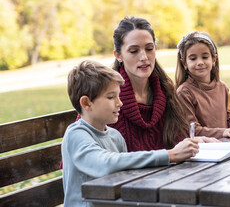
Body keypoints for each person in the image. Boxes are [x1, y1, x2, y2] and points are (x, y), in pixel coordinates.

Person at [61, 60, 199, 207]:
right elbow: (105, 164)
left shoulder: (115, 136)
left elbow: (127, 176)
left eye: (119, 96)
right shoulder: (76, 135)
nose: (120, 103)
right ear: (86, 103)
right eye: (111, 97)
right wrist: (170, 155)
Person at [110, 16, 217, 152]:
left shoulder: (165, 91)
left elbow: (177, 140)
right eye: (134, 51)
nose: (144, 57)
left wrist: (190, 141)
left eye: (149, 49)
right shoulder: (105, 96)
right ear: (118, 55)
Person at [175, 31, 230, 139]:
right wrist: (223, 132)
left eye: (205, 57)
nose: (200, 62)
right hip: (203, 150)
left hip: (227, 146)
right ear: (184, 63)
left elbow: (226, 119)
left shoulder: (222, 87)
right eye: (193, 58)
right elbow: (193, 130)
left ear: (214, 59)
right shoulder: (184, 92)